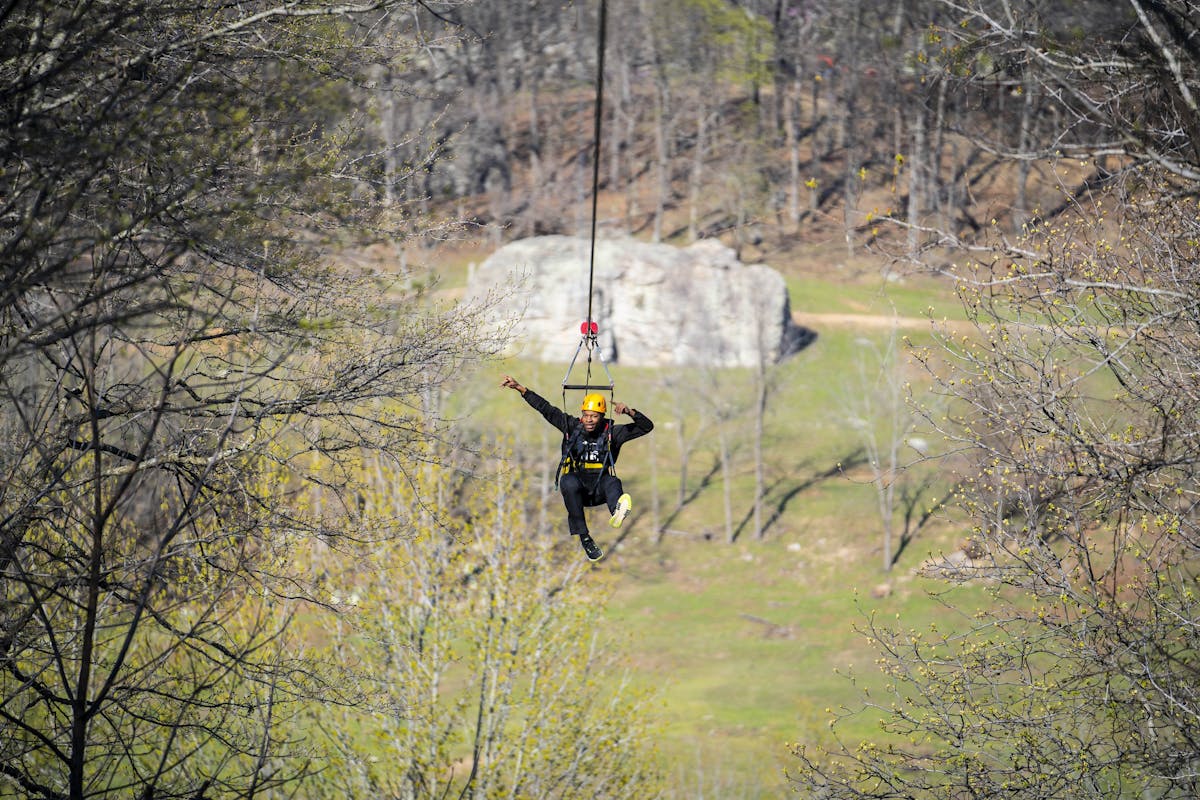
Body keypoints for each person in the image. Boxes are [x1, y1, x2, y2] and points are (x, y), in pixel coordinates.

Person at [501, 375, 653, 561]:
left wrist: (630, 411)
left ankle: (617, 511)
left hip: (600, 491)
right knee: (568, 480)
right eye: (586, 415)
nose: (589, 420)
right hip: (577, 492)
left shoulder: (613, 432)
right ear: (582, 414)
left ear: (602, 417)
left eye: (594, 416)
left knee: (612, 481)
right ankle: (585, 538)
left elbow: (646, 427)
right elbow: (546, 409)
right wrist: (520, 388)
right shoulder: (572, 427)